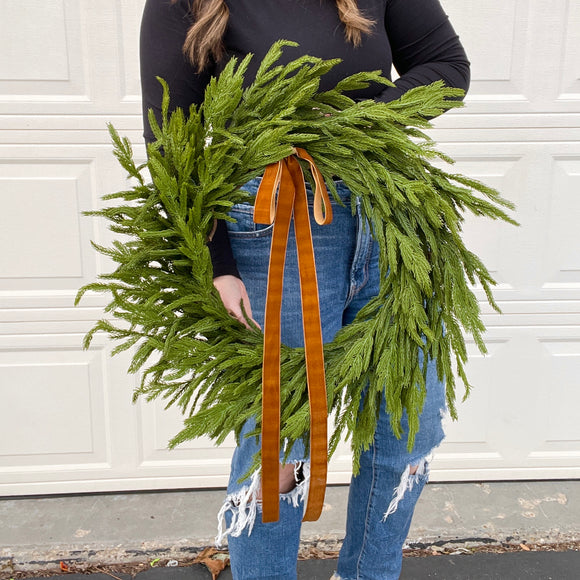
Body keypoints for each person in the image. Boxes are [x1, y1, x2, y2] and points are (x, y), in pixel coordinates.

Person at [140, 1, 470, 578]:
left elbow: (445, 66)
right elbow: (171, 136)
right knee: (283, 432)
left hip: (391, 212)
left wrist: (356, 128)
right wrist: (217, 261)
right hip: (276, 224)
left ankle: (368, 572)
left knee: (408, 422)